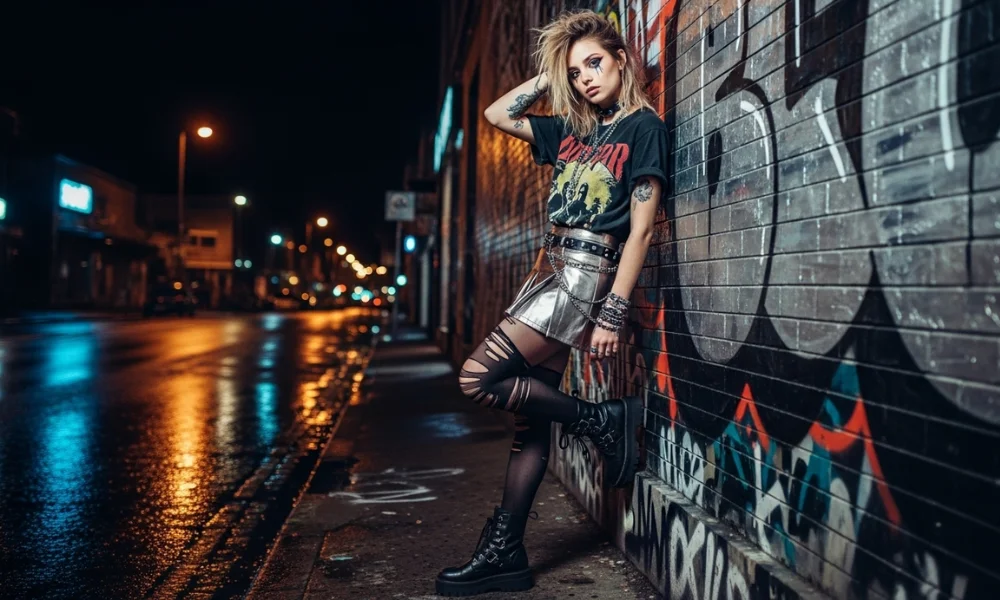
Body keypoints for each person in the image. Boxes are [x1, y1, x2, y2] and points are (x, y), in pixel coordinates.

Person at [435, 9, 667, 597]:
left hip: (584, 276)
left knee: (477, 377)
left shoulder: (643, 127)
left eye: (595, 62)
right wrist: (551, 73)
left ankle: (599, 419)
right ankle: (506, 553)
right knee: (530, 426)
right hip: (548, 271)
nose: (586, 78)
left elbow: (641, 230)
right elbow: (497, 114)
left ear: (621, 60)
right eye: (576, 71)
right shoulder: (572, 130)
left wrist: (613, 309)